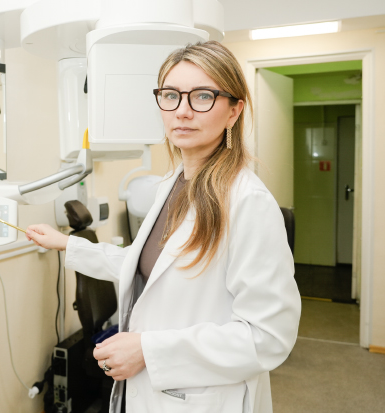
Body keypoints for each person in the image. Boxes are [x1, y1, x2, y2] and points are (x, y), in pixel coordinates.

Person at [26, 41, 301, 413]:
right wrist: (68, 245)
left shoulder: (248, 202)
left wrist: (147, 350)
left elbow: (268, 337)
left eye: (202, 96)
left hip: (202, 399)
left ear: (234, 111)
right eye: (171, 96)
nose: (182, 111)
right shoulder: (173, 183)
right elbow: (151, 267)